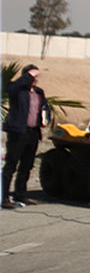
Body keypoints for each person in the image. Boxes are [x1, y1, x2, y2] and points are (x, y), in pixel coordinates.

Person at [3, 65, 47, 209]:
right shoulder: (17, 90)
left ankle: (20, 193)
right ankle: (3, 197)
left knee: (26, 165)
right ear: (25, 76)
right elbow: (10, 89)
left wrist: (46, 118)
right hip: (18, 132)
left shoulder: (39, 92)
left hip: (33, 132)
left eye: (36, 77)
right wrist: (27, 76)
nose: (34, 80)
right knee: (11, 165)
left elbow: (44, 108)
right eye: (31, 76)